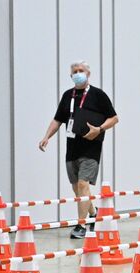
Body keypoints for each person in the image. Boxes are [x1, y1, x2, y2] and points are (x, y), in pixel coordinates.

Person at [39, 60, 118, 239]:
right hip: (72, 148)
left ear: (88, 74)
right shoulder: (68, 96)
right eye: (75, 71)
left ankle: (81, 226)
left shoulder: (99, 95)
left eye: (81, 70)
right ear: (71, 76)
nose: (78, 73)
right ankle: (94, 213)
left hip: (91, 148)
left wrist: (100, 129)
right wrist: (46, 137)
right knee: (78, 189)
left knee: (84, 185)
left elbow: (114, 118)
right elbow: (57, 120)